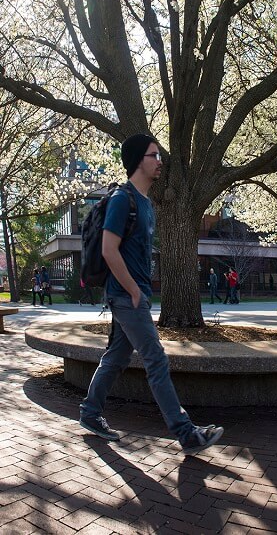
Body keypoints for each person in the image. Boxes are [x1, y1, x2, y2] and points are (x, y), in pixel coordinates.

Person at [79, 134, 224, 454]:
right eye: (153, 155)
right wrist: (132, 291)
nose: (159, 161)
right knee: (156, 359)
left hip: (133, 296)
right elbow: (108, 249)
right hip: (125, 296)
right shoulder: (122, 199)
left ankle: (90, 413)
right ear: (137, 161)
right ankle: (186, 432)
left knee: (116, 357)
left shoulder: (145, 204)